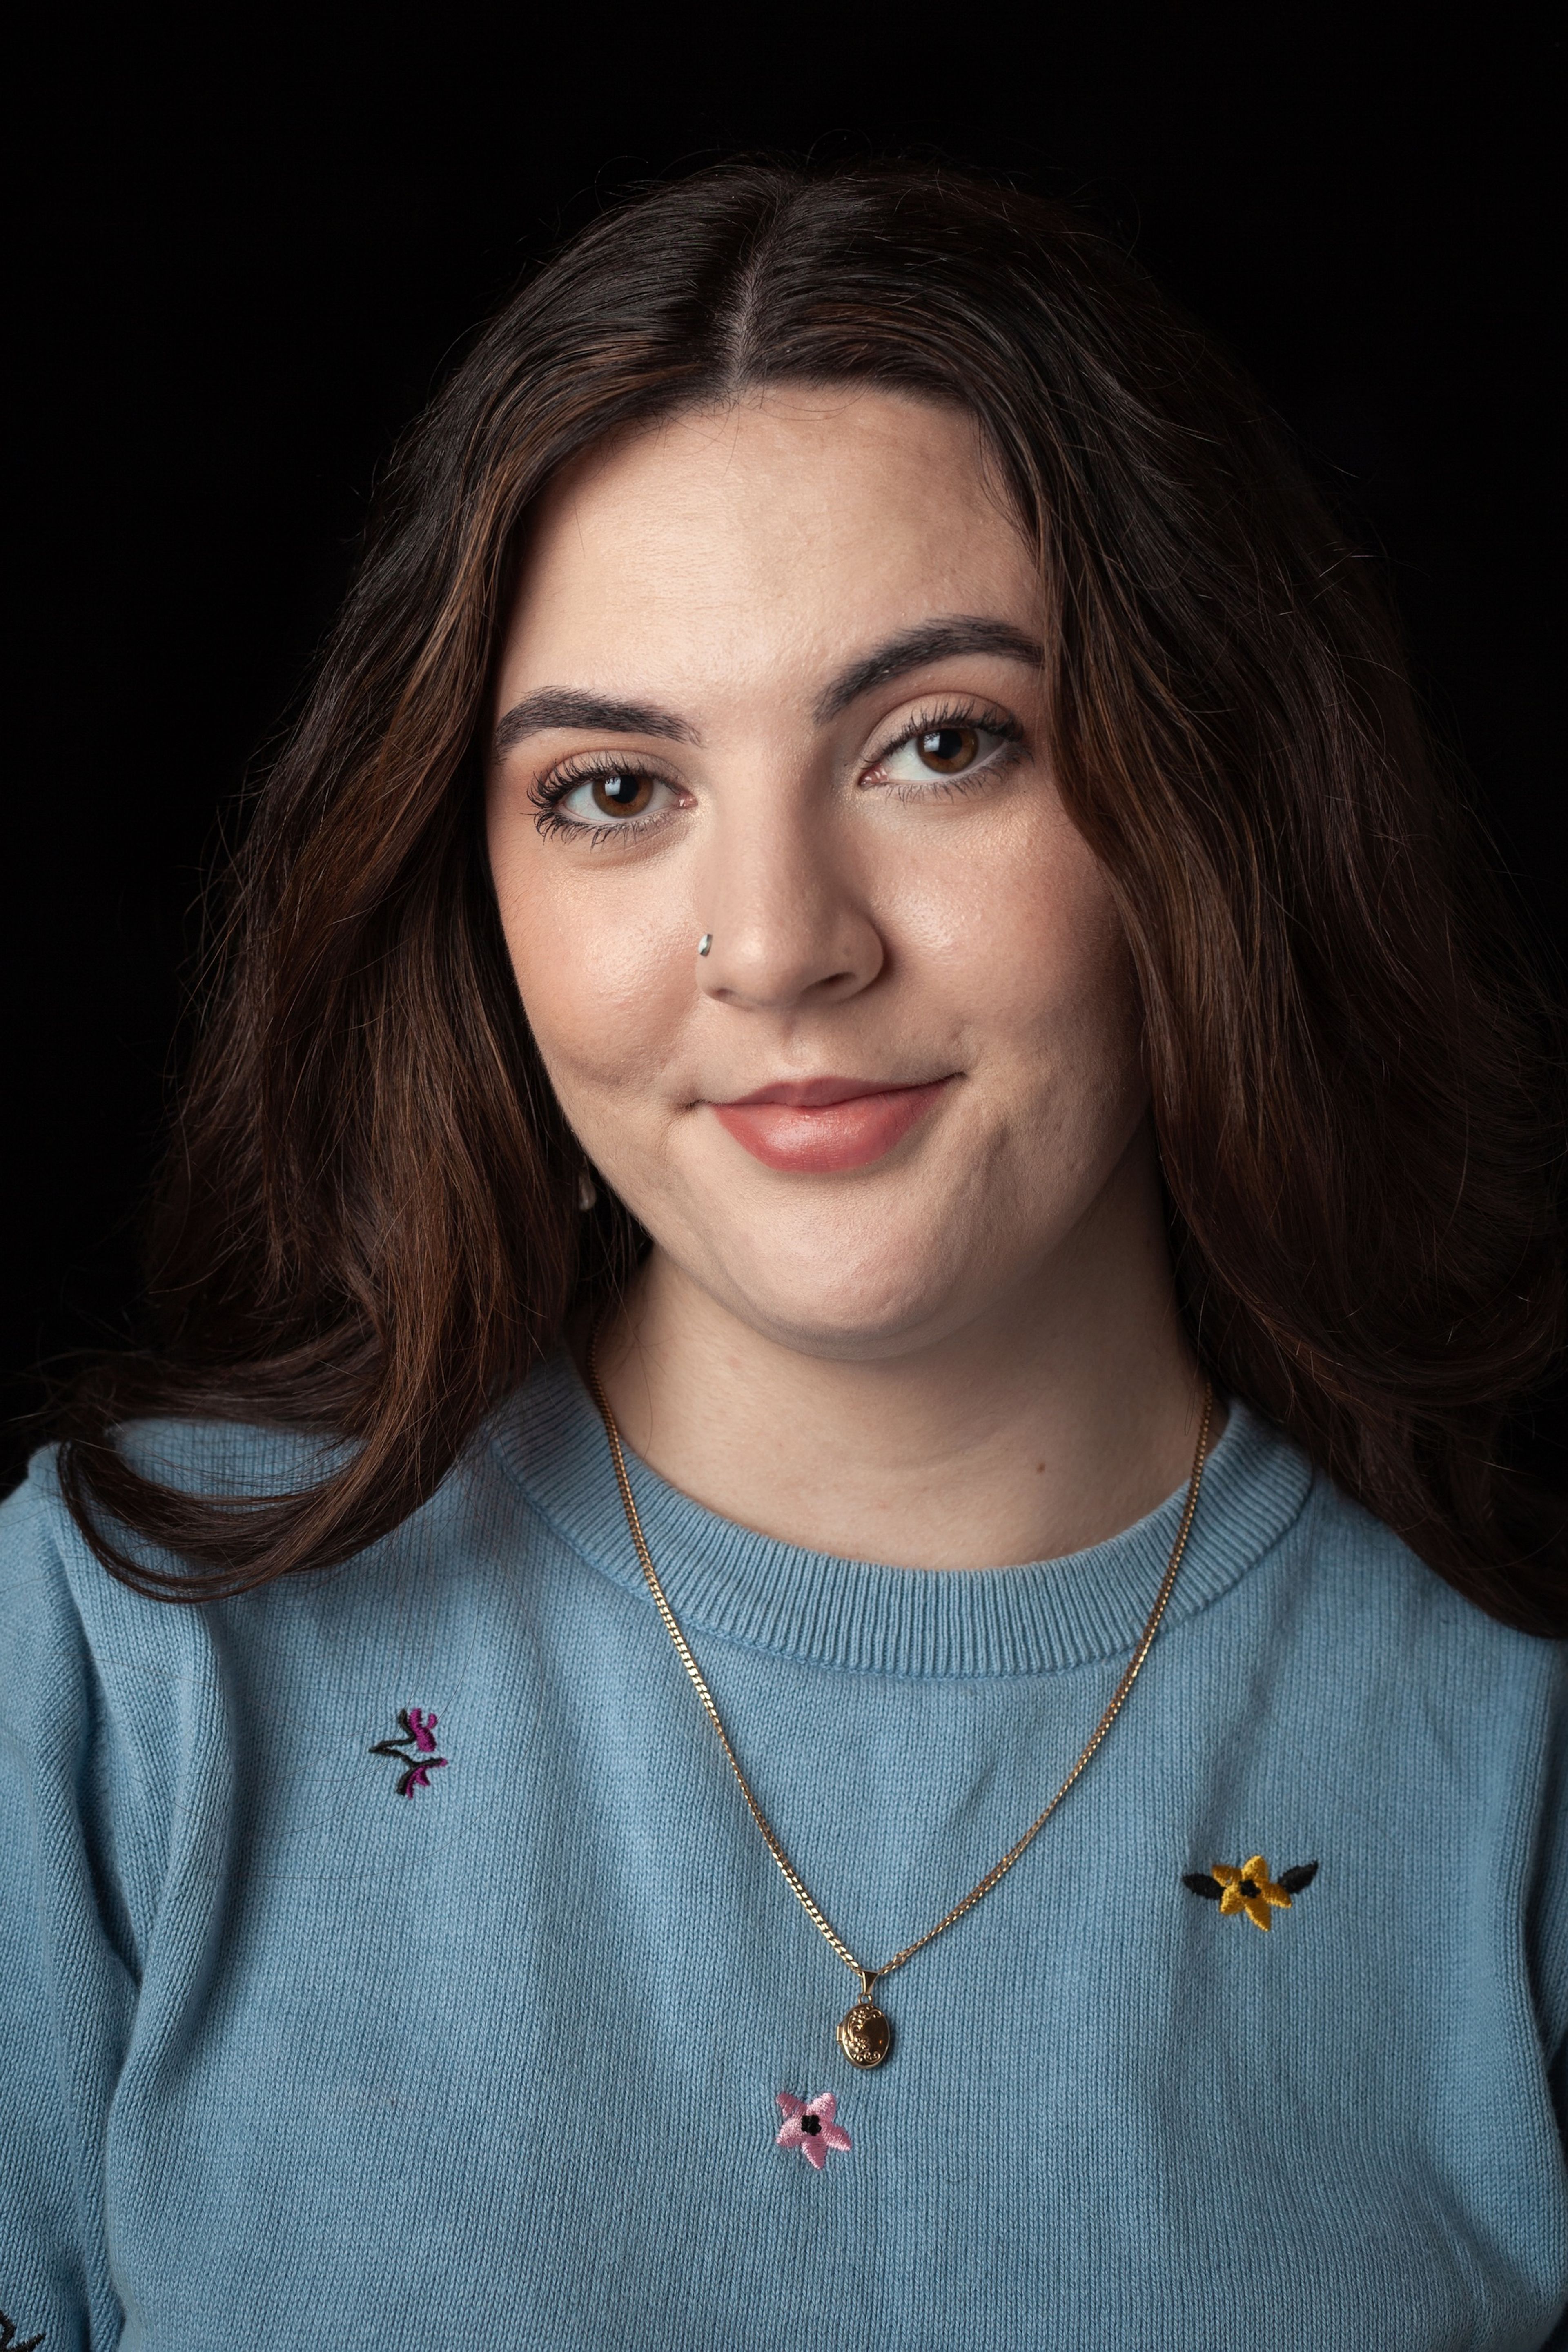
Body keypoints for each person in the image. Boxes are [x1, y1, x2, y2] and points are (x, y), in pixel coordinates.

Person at [2, 163, 1564, 2352]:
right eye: (616, 791)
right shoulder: (122, 1667)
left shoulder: (1515, 1765)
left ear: (1211, 805)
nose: (779, 946)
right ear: (477, 892)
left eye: (940, 746)